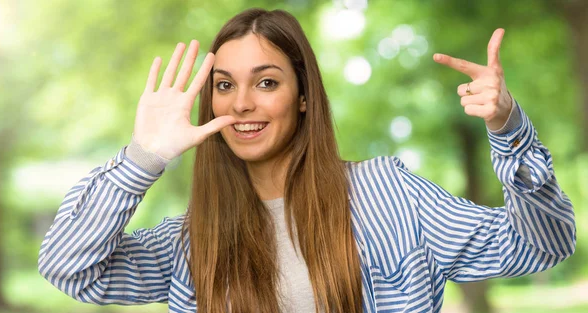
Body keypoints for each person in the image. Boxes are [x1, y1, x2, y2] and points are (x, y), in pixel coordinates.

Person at [37, 8, 576, 313]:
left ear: (302, 95)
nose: (241, 102)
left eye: (265, 82)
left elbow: (542, 245)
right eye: (224, 86)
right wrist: (143, 157)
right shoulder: (190, 240)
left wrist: (510, 131)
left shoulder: (389, 197)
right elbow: (69, 268)